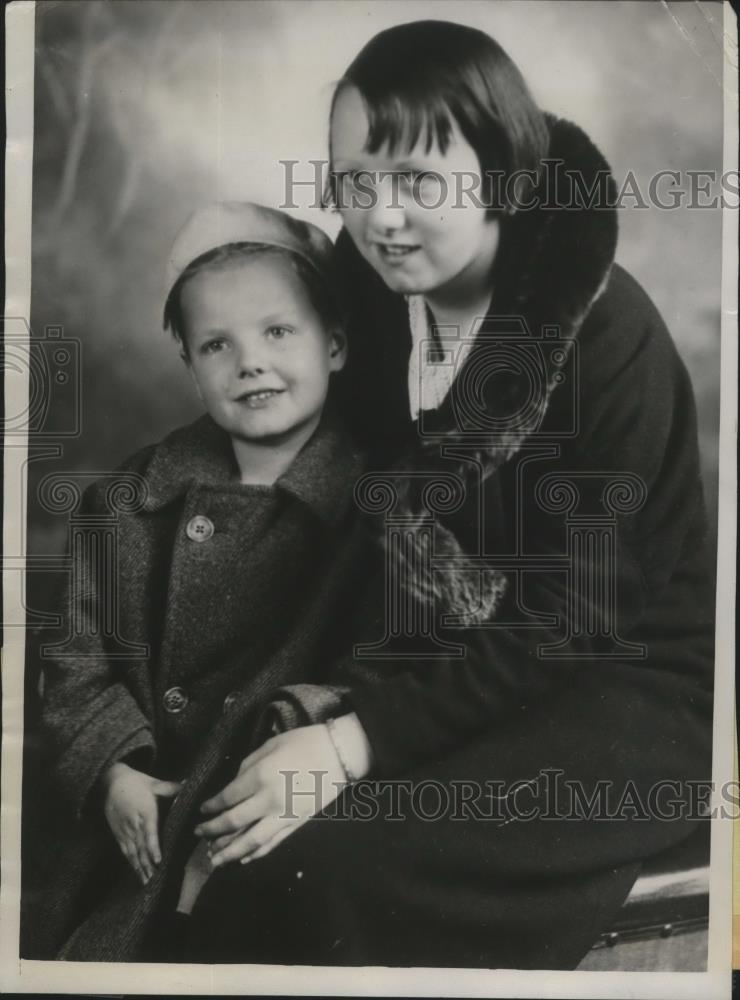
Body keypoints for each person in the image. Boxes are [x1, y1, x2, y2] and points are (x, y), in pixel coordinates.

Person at [182, 21, 714, 969]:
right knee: (223, 797)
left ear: (503, 169)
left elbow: (573, 621)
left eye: (419, 181)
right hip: (441, 651)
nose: (381, 217)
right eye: (355, 180)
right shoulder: (375, 291)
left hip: (622, 684)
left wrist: (352, 744)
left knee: (328, 864)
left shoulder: (607, 336)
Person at [28, 201, 377, 960]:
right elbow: (73, 661)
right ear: (189, 367)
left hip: (273, 818)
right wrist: (112, 767)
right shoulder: (126, 502)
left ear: (337, 346)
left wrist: (288, 732)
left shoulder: (377, 511)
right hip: (134, 827)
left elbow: (378, 675)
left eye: (278, 331)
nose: (249, 361)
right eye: (216, 344)